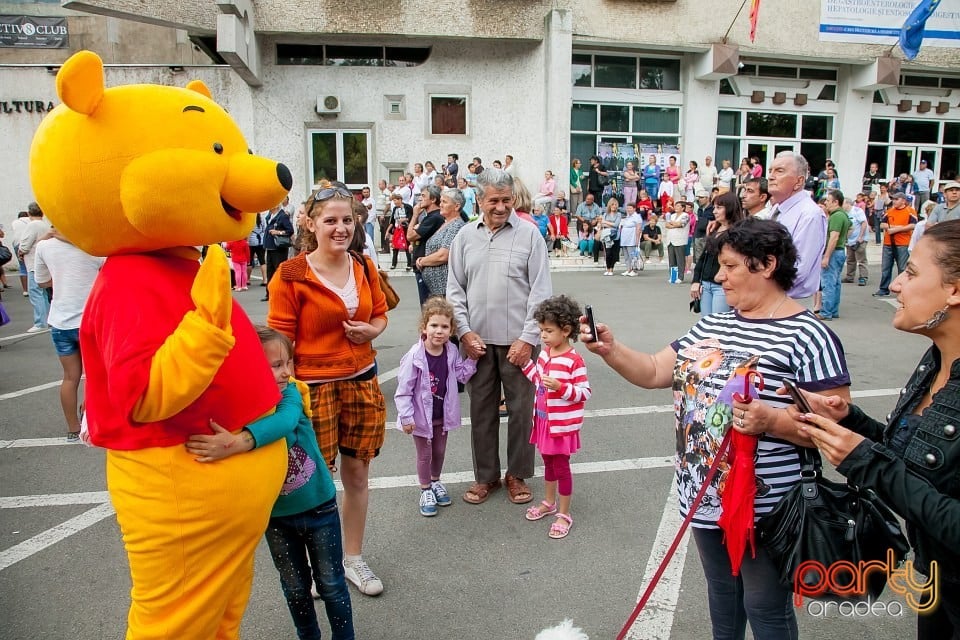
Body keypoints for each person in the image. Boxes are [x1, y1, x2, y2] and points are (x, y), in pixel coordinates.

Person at [583, 217, 851, 640]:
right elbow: (655, 370)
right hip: (703, 495)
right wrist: (610, 350)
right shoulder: (716, 323)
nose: (718, 276)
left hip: (766, 503)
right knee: (723, 601)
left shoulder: (809, 335)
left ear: (766, 265)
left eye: (729, 266)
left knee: (765, 609)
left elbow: (837, 428)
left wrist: (774, 421)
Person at [794, 220, 960, 640]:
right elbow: (918, 460)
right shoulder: (935, 361)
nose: (898, 284)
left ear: (955, 291)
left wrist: (863, 461)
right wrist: (849, 419)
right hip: (937, 579)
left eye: (913, 272)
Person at [184, 326, 354, 640]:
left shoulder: (289, 393)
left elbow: (285, 422)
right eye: (276, 366)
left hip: (319, 508)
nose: (286, 372)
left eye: (289, 362)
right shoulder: (242, 404)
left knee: (331, 583)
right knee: (294, 588)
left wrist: (237, 443)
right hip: (275, 516)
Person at [268, 181, 389, 597]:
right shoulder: (290, 274)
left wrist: (368, 330)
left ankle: (352, 558)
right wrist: (275, 388)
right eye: (331, 220)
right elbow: (279, 340)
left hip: (361, 380)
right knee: (314, 481)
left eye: (348, 220)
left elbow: (379, 317)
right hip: (313, 388)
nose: (341, 228)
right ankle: (321, 564)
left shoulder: (363, 265)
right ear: (310, 223)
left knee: (357, 475)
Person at [447, 168, 553, 506]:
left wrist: (527, 338)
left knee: (522, 411)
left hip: (518, 343)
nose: (500, 206)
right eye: (493, 200)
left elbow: (541, 292)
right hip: (476, 344)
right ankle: (486, 477)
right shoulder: (464, 237)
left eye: (506, 200)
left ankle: (517, 475)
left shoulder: (530, 235)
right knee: (481, 411)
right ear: (479, 200)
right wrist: (463, 332)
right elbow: (455, 290)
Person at [395, 298, 477, 516]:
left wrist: (472, 360)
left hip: (443, 415)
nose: (439, 331)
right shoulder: (415, 356)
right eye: (434, 325)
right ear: (424, 327)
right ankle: (425, 489)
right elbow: (403, 390)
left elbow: (460, 374)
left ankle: (435, 481)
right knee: (425, 454)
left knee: (439, 451)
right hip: (421, 417)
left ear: (451, 330)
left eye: (444, 326)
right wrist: (406, 417)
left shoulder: (450, 351)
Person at [521, 295, 592, 539]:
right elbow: (539, 381)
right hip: (543, 420)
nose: (543, 335)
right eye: (541, 330)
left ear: (566, 330)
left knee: (561, 466)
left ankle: (564, 513)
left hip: (561, 425)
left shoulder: (574, 360)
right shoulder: (545, 354)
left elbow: (584, 392)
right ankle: (549, 502)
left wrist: (562, 388)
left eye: (548, 331)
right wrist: (525, 366)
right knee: (548, 463)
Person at [32, 229, 104, 440]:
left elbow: (42, 281)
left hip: (61, 320)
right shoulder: (94, 246)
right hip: (91, 320)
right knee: (95, 375)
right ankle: (92, 422)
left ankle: (73, 427)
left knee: (70, 377)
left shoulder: (44, 247)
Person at [767, 151, 827, 300]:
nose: (771, 176)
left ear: (799, 181)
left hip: (791, 299)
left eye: (779, 171)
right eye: (770, 171)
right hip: (769, 296)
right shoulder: (777, 209)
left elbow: (799, 268)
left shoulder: (810, 214)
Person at [690, 191, 745, 316]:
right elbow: (704, 257)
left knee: (719, 326)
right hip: (705, 284)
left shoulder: (738, 232)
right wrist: (696, 281)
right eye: (714, 207)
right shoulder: (714, 228)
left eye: (719, 208)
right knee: (705, 324)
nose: (714, 211)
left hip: (722, 286)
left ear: (730, 208)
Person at [418, 188, 467, 298]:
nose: (440, 205)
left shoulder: (457, 225)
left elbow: (443, 255)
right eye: (441, 201)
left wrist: (422, 261)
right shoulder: (446, 223)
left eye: (444, 202)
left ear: (457, 206)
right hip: (437, 290)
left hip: (446, 290)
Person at [872, 191, 917, 298]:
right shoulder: (890, 211)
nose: (894, 201)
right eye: (893, 199)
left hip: (903, 243)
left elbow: (913, 225)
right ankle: (883, 288)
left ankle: (903, 288)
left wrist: (898, 229)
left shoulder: (910, 211)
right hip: (888, 243)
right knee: (886, 267)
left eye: (897, 199)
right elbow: (882, 223)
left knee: (902, 267)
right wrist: (889, 228)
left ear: (903, 201)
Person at [16, 202, 52, 332]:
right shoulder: (45, 225)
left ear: (29, 213)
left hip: (33, 262)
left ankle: (40, 322)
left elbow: (25, 245)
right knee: (43, 293)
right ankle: (47, 320)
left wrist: (21, 251)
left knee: (35, 293)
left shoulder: (32, 225)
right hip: (45, 262)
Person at [816, 189, 852, 321]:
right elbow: (850, 228)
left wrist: (826, 256)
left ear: (836, 202)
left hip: (834, 251)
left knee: (828, 283)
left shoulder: (836, 216)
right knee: (835, 282)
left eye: (828, 200)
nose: (826, 203)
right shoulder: (843, 215)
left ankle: (826, 312)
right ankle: (833, 310)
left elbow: (834, 237)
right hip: (840, 251)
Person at [408, 185, 444, 305]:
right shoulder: (430, 217)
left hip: (425, 266)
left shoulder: (434, 217)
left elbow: (410, 236)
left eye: (423, 196)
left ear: (433, 199)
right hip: (423, 264)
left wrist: (414, 215)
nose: (420, 199)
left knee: (427, 307)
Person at [261, 203, 294, 302]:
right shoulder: (269, 216)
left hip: (279, 248)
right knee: (270, 272)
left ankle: (281, 293)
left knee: (278, 272)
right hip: (270, 247)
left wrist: (278, 232)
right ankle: (269, 294)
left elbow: (290, 230)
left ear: (275, 206)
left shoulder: (283, 216)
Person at [841, 194, 869, 286]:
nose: (841, 205)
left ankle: (863, 277)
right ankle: (850, 277)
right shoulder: (843, 213)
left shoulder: (857, 211)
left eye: (843, 203)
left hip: (859, 239)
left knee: (861, 259)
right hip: (849, 240)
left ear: (848, 204)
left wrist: (860, 237)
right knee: (850, 259)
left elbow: (864, 223)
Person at [664, 200, 690, 283]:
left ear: (683, 208)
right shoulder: (672, 215)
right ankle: (673, 276)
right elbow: (667, 225)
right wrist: (673, 225)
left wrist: (672, 223)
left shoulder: (685, 215)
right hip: (671, 239)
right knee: (672, 260)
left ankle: (680, 277)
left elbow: (681, 224)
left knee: (680, 259)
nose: (676, 207)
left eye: (678, 206)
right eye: (676, 206)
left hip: (680, 240)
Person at [386, 192, 412, 270]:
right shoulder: (395, 209)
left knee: (406, 246)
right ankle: (394, 264)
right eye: (393, 201)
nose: (395, 203)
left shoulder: (408, 207)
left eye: (396, 200)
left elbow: (411, 217)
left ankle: (409, 264)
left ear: (400, 200)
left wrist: (404, 219)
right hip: (397, 229)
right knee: (395, 246)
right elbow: (392, 222)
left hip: (406, 228)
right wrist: (388, 231)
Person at [618, 202, 644, 276]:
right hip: (624, 239)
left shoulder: (637, 217)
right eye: (627, 208)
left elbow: (638, 229)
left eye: (630, 208)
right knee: (626, 256)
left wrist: (637, 240)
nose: (628, 210)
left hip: (631, 239)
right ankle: (628, 269)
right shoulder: (627, 217)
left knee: (632, 255)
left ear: (634, 209)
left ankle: (634, 270)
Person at [598, 197, 622, 277]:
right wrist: (609, 223)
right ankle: (607, 268)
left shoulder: (618, 214)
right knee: (608, 253)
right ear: (609, 205)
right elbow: (602, 224)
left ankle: (611, 269)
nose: (614, 206)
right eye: (612, 204)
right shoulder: (605, 214)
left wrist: (606, 222)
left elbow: (616, 225)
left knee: (614, 253)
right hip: (607, 235)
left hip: (615, 236)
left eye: (615, 205)